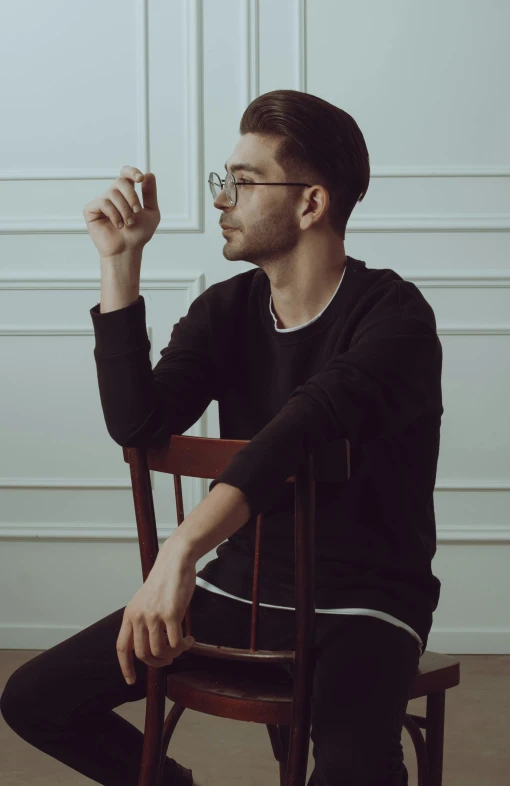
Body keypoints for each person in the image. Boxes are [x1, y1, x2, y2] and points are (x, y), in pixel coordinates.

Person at [1, 89, 443, 786]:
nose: (221, 199)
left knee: (356, 767)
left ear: (311, 204)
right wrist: (119, 263)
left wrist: (180, 550)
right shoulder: (226, 310)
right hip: (243, 589)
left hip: (365, 602)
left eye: (243, 181)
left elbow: (300, 426)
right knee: (35, 698)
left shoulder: (395, 318)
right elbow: (140, 426)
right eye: (224, 180)